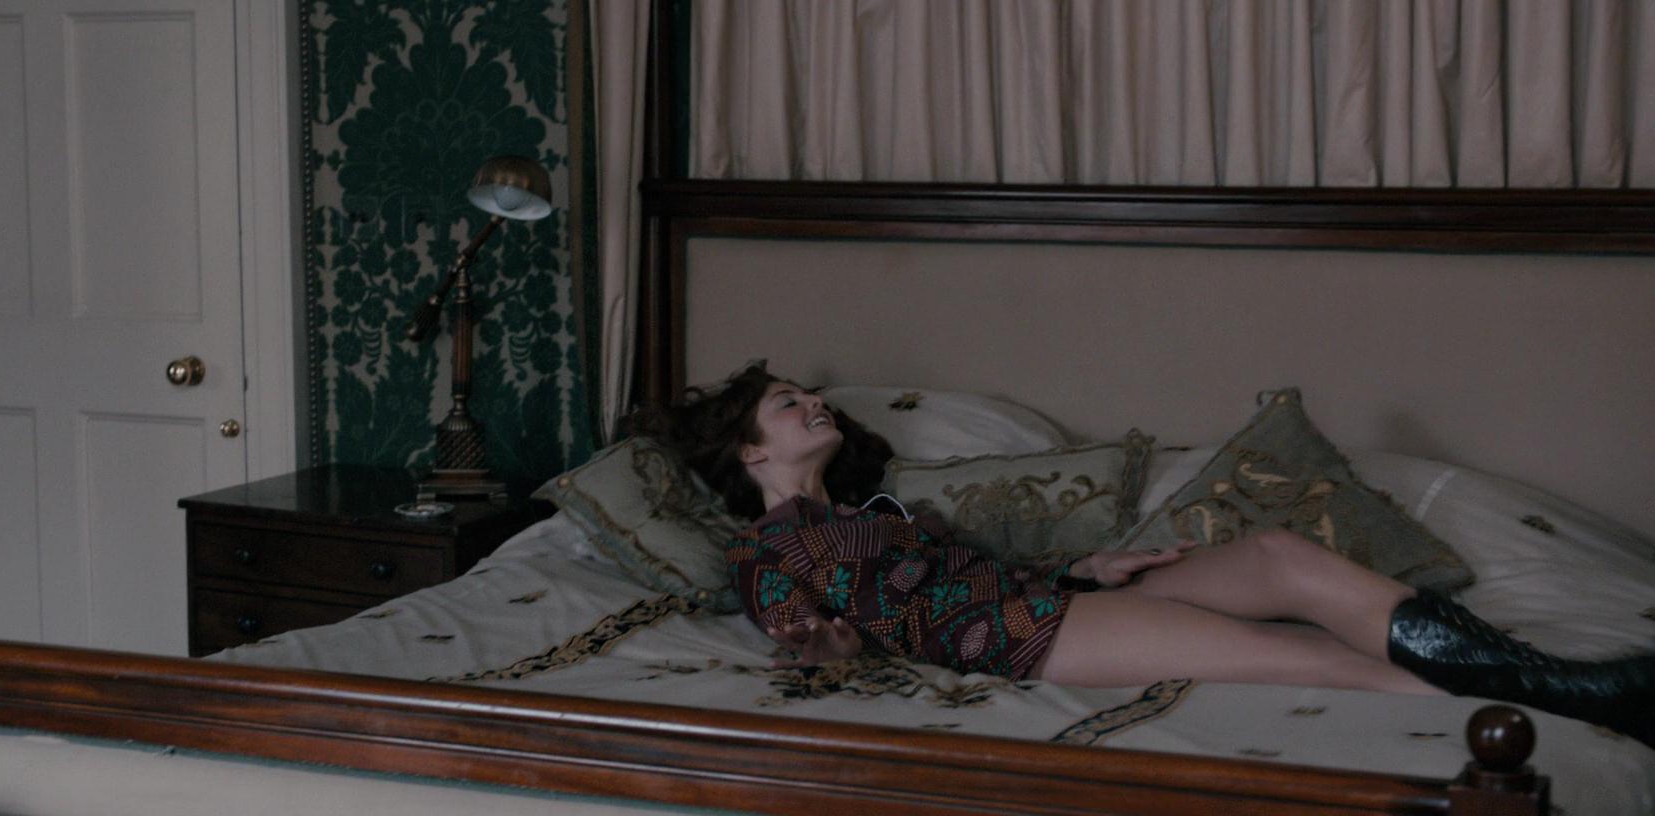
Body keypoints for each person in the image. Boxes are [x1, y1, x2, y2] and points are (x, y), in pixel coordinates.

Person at [628, 363, 1654, 748]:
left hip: (1052, 600)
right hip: (1012, 638)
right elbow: (811, 642)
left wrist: (1087, 572)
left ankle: (1548, 674)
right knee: (1309, 660)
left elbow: (977, 565)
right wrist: (829, 647)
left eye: (812, 395)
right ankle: (1574, 704)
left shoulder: (881, 509)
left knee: (1281, 557)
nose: (815, 403)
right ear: (752, 453)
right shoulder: (770, 551)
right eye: (789, 404)